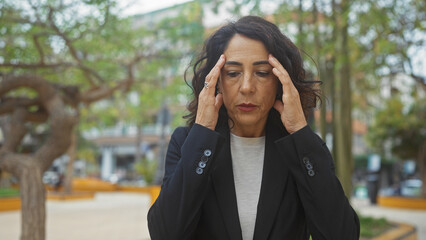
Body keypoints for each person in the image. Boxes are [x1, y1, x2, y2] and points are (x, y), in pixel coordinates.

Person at [148, 16, 360, 240]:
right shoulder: (187, 143)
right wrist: (202, 131)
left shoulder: (304, 149)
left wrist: (299, 130)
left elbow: (342, 234)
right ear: (217, 81)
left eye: (262, 73)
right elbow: (165, 233)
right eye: (232, 73)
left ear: (280, 81)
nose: (247, 87)